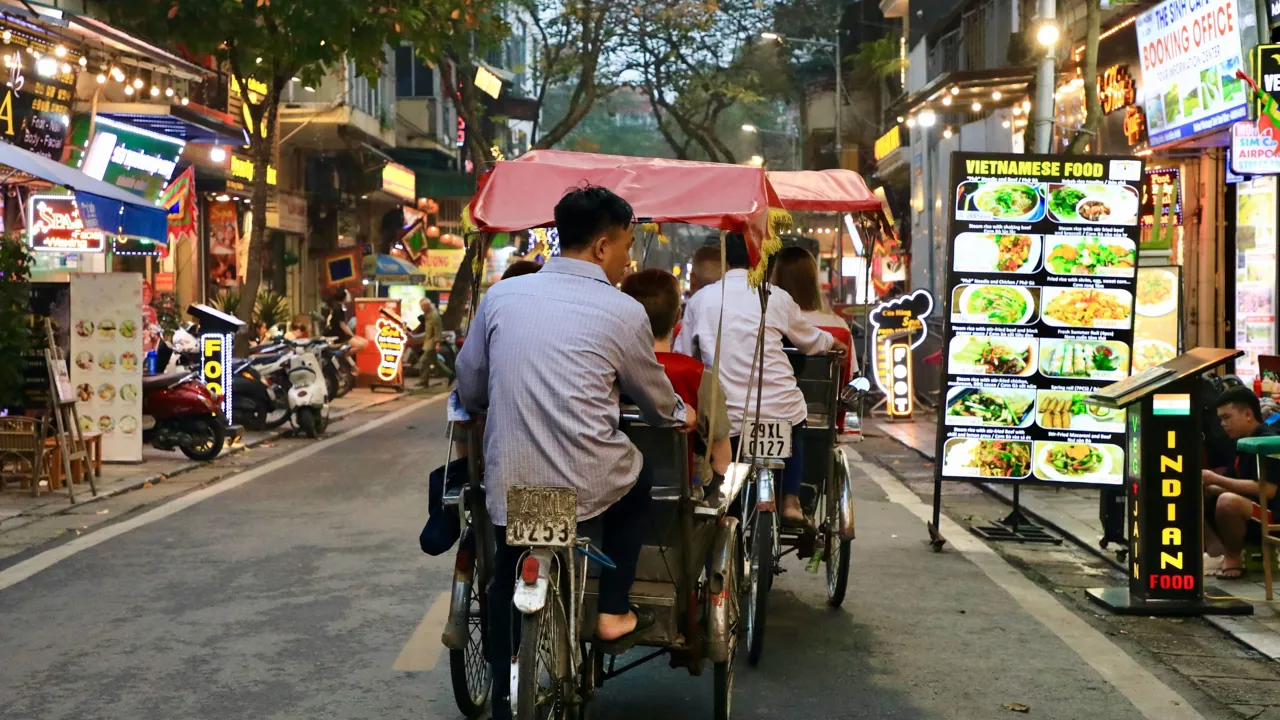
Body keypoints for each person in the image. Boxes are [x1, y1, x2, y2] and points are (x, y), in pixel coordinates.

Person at [454, 185, 694, 719]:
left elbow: (470, 386)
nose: (629, 256)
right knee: (640, 477)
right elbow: (657, 403)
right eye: (629, 244)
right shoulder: (623, 310)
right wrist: (683, 415)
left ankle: (501, 695)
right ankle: (611, 609)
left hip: (514, 482)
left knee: (506, 572)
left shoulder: (501, 297)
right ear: (604, 246)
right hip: (590, 482)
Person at [676, 233, 847, 525]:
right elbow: (810, 340)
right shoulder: (775, 297)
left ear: (724, 259)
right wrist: (835, 344)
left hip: (726, 416)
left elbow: (682, 354)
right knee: (797, 418)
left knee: (714, 451)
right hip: (780, 411)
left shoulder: (701, 300)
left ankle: (720, 500)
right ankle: (791, 501)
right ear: (761, 258)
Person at [622, 268, 732, 492]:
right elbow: (722, 460)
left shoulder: (609, 371)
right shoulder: (699, 377)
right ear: (677, 316)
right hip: (685, 496)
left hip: (618, 491)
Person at [771, 246, 859, 432]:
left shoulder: (770, 321)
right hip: (822, 416)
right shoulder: (838, 326)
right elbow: (848, 382)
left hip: (771, 409)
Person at [1203, 387, 1280, 579]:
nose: (1222, 424)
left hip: (1273, 513)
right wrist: (1206, 484)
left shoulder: (1267, 440)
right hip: (1251, 508)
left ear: (1247, 414)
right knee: (1194, 490)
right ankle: (1215, 551)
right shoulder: (1239, 442)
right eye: (1221, 419)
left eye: (1227, 417)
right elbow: (1234, 481)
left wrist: (1215, 479)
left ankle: (1232, 556)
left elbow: (1268, 490)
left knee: (1227, 502)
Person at [416, 297, 451, 386]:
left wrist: (437, 343)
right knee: (434, 362)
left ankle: (423, 381)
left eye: (423, 306)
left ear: (427, 306)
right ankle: (450, 375)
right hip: (428, 341)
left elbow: (438, 330)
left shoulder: (434, 315)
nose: (422, 308)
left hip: (432, 343)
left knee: (424, 360)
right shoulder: (427, 314)